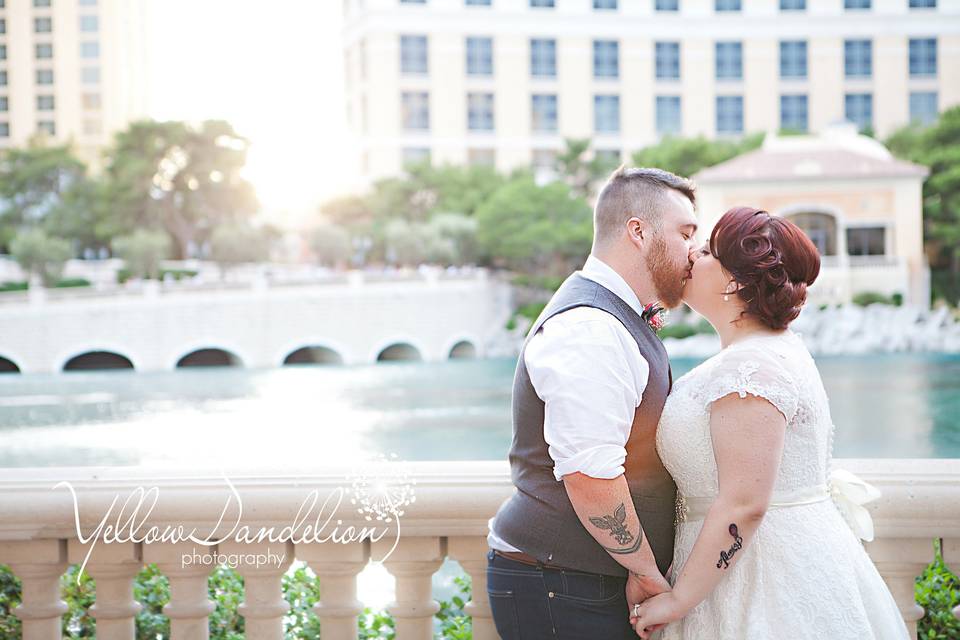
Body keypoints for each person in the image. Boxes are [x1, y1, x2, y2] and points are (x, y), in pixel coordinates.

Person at [631, 206, 909, 639]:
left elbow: (744, 503)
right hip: (750, 563)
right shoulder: (766, 351)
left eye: (705, 251)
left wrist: (679, 599)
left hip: (762, 575)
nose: (690, 256)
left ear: (735, 281)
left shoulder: (752, 367)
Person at [486, 166, 699, 639]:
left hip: (576, 581)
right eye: (686, 233)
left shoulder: (613, 316)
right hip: (560, 585)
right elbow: (589, 474)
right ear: (638, 232)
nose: (695, 251)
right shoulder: (590, 327)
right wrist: (645, 569)